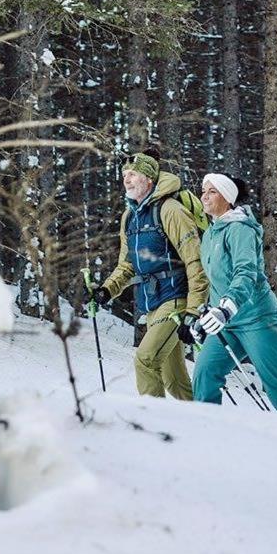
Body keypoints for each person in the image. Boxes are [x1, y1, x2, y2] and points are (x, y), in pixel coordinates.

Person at [189, 172, 277, 414]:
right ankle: (207, 435)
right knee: (205, 374)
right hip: (227, 324)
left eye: (212, 191)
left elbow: (245, 272)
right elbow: (216, 281)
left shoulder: (240, 229)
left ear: (227, 197)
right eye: (203, 191)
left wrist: (226, 308)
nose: (204, 196)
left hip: (259, 320)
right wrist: (204, 317)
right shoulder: (210, 233)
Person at [89, 150, 209, 400]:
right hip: (152, 303)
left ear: (149, 180)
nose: (127, 179)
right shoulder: (129, 217)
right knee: (174, 380)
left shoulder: (171, 210)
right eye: (124, 174)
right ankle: (207, 427)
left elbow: (196, 262)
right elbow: (127, 265)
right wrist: (107, 290)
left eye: (133, 174)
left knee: (145, 361)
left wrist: (194, 310)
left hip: (176, 299)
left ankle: (153, 428)